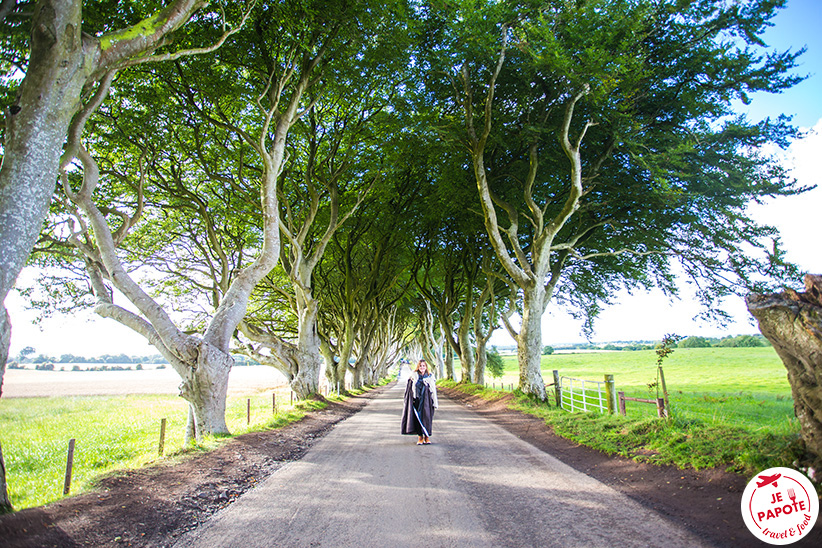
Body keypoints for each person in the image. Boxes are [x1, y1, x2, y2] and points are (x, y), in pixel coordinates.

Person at [401, 359, 438, 445]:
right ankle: (420, 437)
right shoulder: (413, 376)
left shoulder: (430, 376)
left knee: (427, 418)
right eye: (420, 366)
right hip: (417, 400)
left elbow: (433, 390)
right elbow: (409, 389)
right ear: (418, 367)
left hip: (427, 401)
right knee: (418, 419)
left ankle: (427, 437)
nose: (422, 367)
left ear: (426, 367)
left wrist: (434, 402)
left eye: (423, 366)